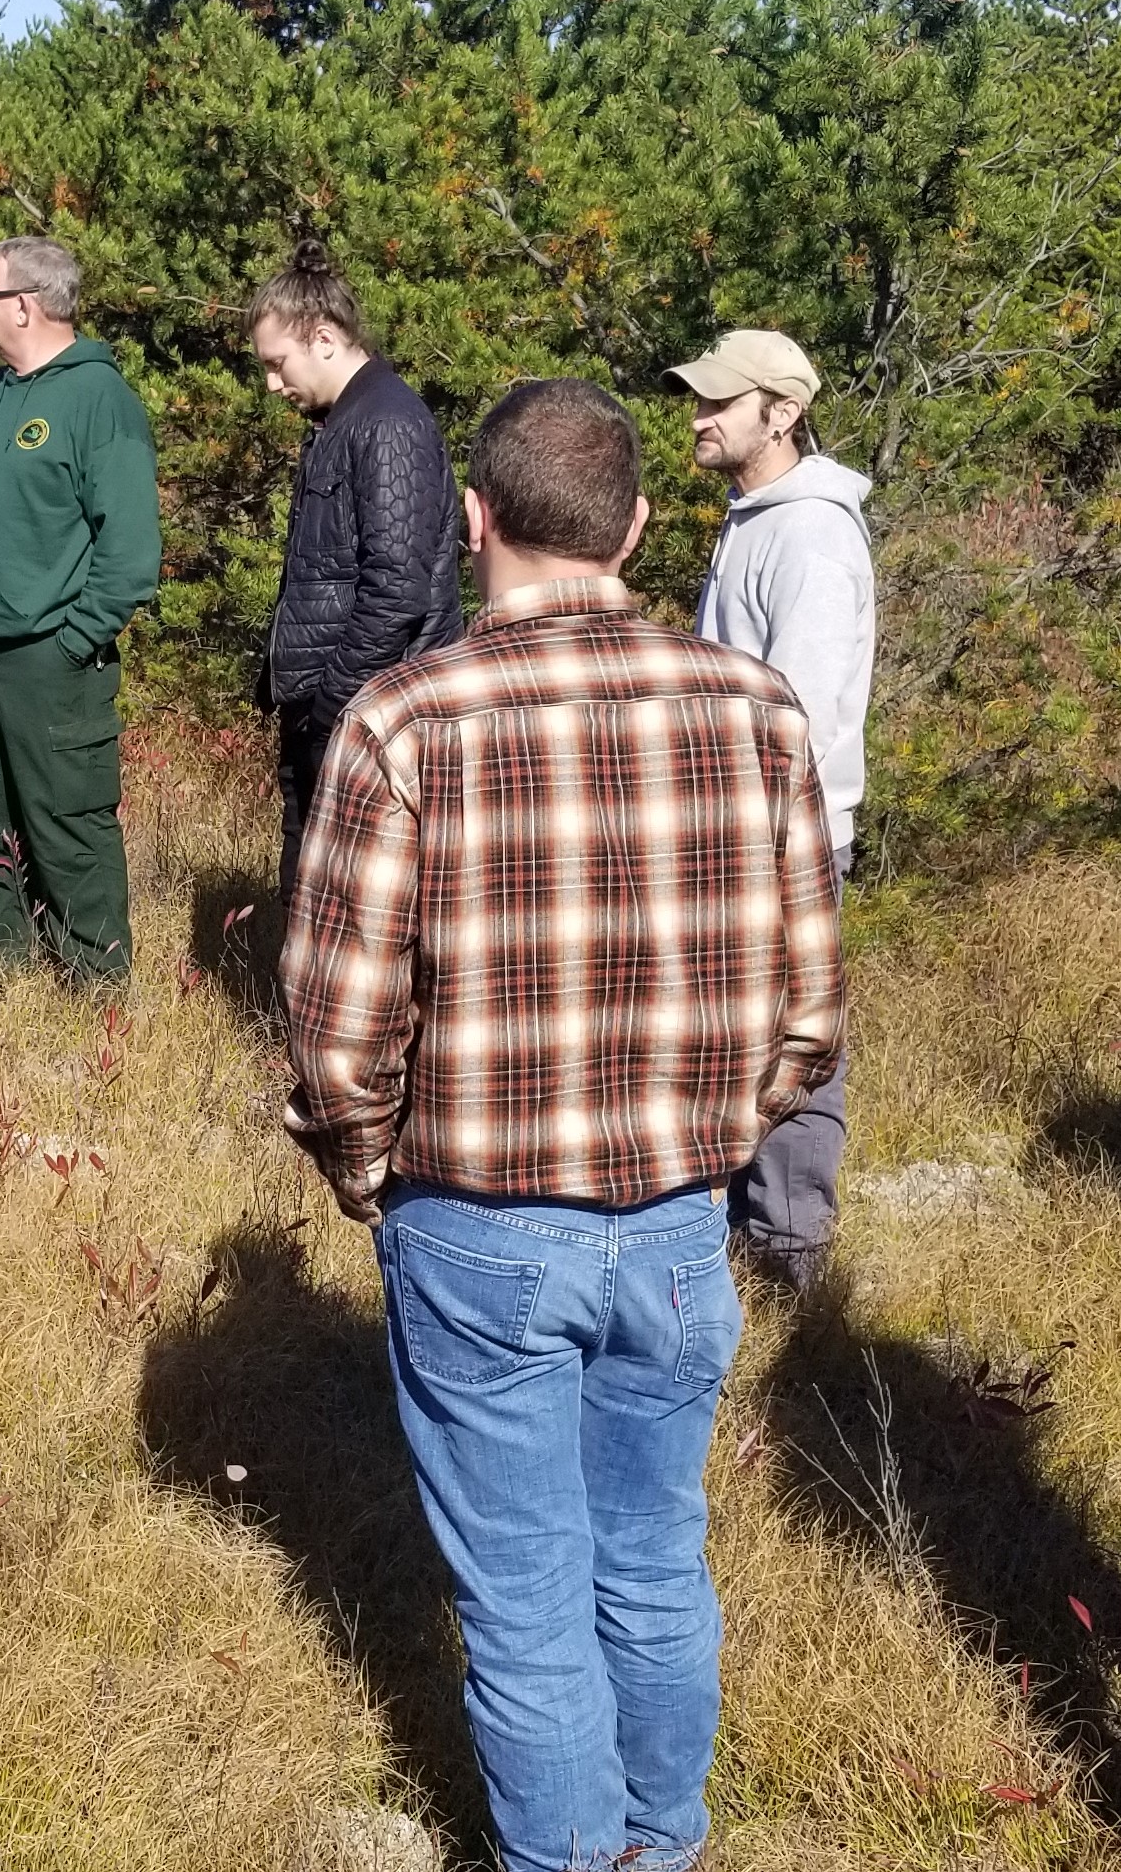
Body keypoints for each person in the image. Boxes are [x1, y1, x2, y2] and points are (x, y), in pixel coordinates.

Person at [281, 378, 842, 1872]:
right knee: (653, 1557)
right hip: (675, 1223)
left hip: (474, 1220)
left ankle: (574, 1856)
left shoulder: (402, 716)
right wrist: (704, 1144)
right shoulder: (752, 707)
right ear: (639, 525)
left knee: (526, 1592)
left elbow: (338, 1031)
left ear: (473, 521)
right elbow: (805, 1014)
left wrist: (369, 1174)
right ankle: (660, 1844)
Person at [670, 328, 875, 1293]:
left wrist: (751, 839)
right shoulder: (755, 513)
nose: (700, 416)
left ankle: (789, 1258)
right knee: (740, 1035)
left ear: (781, 413)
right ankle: (742, 1244)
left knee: (800, 1038)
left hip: (783, 837)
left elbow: (804, 711)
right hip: (736, 831)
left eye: (721, 400)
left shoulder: (813, 534)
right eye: (699, 398)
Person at [0, 236, 163, 982]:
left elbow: (130, 554)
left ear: (23, 305)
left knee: (66, 823)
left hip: (47, 658)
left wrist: (72, 641)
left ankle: (98, 990)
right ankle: (3, 970)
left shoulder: (99, 399)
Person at [249, 240, 458, 904]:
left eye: (277, 364)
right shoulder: (342, 422)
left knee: (354, 905)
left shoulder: (388, 422)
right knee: (313, 895)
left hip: (364, 715)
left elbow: (395, 586)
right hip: (332, 709)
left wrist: (335, 703)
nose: (272, 384)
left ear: (325, 337)